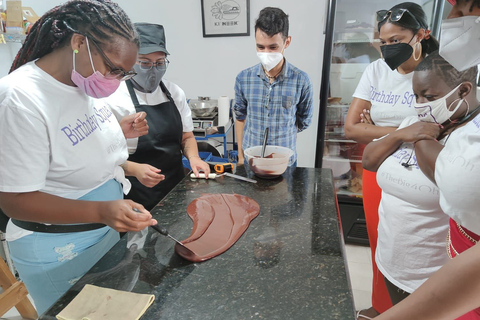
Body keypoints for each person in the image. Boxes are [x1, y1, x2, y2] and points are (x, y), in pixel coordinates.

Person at [0, 0, 158, 314]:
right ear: (78, 43)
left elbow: (71, 142)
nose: (115, 81)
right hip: (59, 247)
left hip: (101, 232)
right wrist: (102, 210)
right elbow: (13, 200)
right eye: (113, 69)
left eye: (123, 75)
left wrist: (116, 131)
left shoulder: (82, 81)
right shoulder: (19, 98)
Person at [376, 0, 480, 318]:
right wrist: (403, 132)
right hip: (449, 272)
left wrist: (419, 132)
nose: (453, 20)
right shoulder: (427, 117)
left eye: (468, 9)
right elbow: (363, 145)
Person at [343, 3, 439, 318]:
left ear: (421, 35)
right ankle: (380, 306)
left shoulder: (438, 73)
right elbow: (352, 127)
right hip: (378, 165)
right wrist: (404, 130)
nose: (388, 49)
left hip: (423, 173)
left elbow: (440, 129)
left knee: (419, 250)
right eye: (384, 43)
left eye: (396, 40)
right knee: (380, 241)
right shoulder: (375, 71)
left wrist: (376, 129)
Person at [363, 51, 464, 308]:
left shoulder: (465, 141)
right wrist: (400, 134)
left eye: (429, 97)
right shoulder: (411, 121)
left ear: (463, 92)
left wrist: (420, 137)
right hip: (390, 261)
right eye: (415, 96)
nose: (420, 104)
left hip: (431, 277)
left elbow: (448, 180)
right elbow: (369, 160)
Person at [108, 23, 210, 211]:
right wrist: (134, 169)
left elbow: (186, 137)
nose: (153, 69)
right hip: (134, 194)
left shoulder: (174, 93)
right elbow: (103, 157)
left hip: (176, 188)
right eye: (145, 62)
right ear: (129, 60)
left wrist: (194, 157)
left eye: (160, 62)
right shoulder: (113, 97)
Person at [234, 7, 313, 166]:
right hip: (252, 162)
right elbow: (240, 117)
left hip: (285, 163)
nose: (266, 53)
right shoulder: (244, 79)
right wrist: (241, 157)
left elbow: (304, 121)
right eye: (260, 47)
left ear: (287, 42)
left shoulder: (301, 80)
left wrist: (283, 131)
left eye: (273, 47)